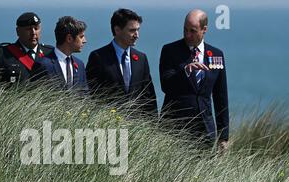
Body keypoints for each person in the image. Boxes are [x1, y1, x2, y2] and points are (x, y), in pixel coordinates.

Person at [159, 9, 229, 150]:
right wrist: (185, 71)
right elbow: (165, 85)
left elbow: (220, 97)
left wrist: (223, 136)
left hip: (205, 130)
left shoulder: (216, 54)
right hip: (174, 128)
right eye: (185, 30)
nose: (187, 35)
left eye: (193, 31)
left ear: (204, 30)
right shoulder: (169, 50)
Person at [86, 8, 157, 117]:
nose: (137, 35)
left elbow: (149, 97)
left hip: (137, 128)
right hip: (107, 125)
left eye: (138, 30)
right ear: (117, 30)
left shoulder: (141, 58)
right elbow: (91, 93)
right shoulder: (98, 57)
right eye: (132, 30)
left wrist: (153, 128)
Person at [0, 12, 53, 86]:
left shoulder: (49, 53)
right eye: (28, 29)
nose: (33, 32)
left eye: (36, 28)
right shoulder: (3, 54)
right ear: (18, 31)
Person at [31, 16, 88, 93]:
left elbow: (84, 96)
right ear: (69, 38)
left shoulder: (80, 65)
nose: (85, 41)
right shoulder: (43, 65)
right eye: (81, 37)